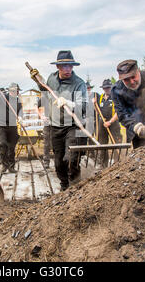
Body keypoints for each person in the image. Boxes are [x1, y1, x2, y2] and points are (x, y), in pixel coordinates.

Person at [30, 50, 87, 191]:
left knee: (71, 158)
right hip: (55, 126)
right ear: (58, 67)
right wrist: (37, 81)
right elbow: (45, 92)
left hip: (72, 126)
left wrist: (69, 102)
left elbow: (83, 105)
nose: (68, 69)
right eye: (64, 66)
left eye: (70, 66)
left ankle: (75, 185)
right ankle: (64, 185)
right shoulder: (51, 79)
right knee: (58, 161)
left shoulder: (78, 83)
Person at [0, 82, 23, 173]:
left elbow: (20, 110)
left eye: (17, 91)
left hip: (12, 126)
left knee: (11, 147)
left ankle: (11, 166)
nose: (16, 92)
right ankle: (4, 165)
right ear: (10, 91)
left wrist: (20, 116)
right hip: (1, 126)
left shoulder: (18, 101)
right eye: (15, 91)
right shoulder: (2, 97)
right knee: (2, 144)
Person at [92, 79, 122, 167]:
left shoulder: (116, 97)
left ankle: (118, 163)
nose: (107, 89)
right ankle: (103, 164)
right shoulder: (101, 98)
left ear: (111, 88)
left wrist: (110, 122)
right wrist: (94, 104)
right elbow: (98, 111)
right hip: (103, 123)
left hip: (113, 123)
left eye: (108, 88)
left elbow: (118, 112)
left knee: (116, 143)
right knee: (102, 144)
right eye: (105, 88)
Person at [35, 91, 52, 169]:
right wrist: (41, 116)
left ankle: (60, 162)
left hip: (59, 124)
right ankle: (46, 161)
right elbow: (36, 106)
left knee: (58, 143)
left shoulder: (58, 96)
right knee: (46, 143)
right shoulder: (45, 98)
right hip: (47, 123)